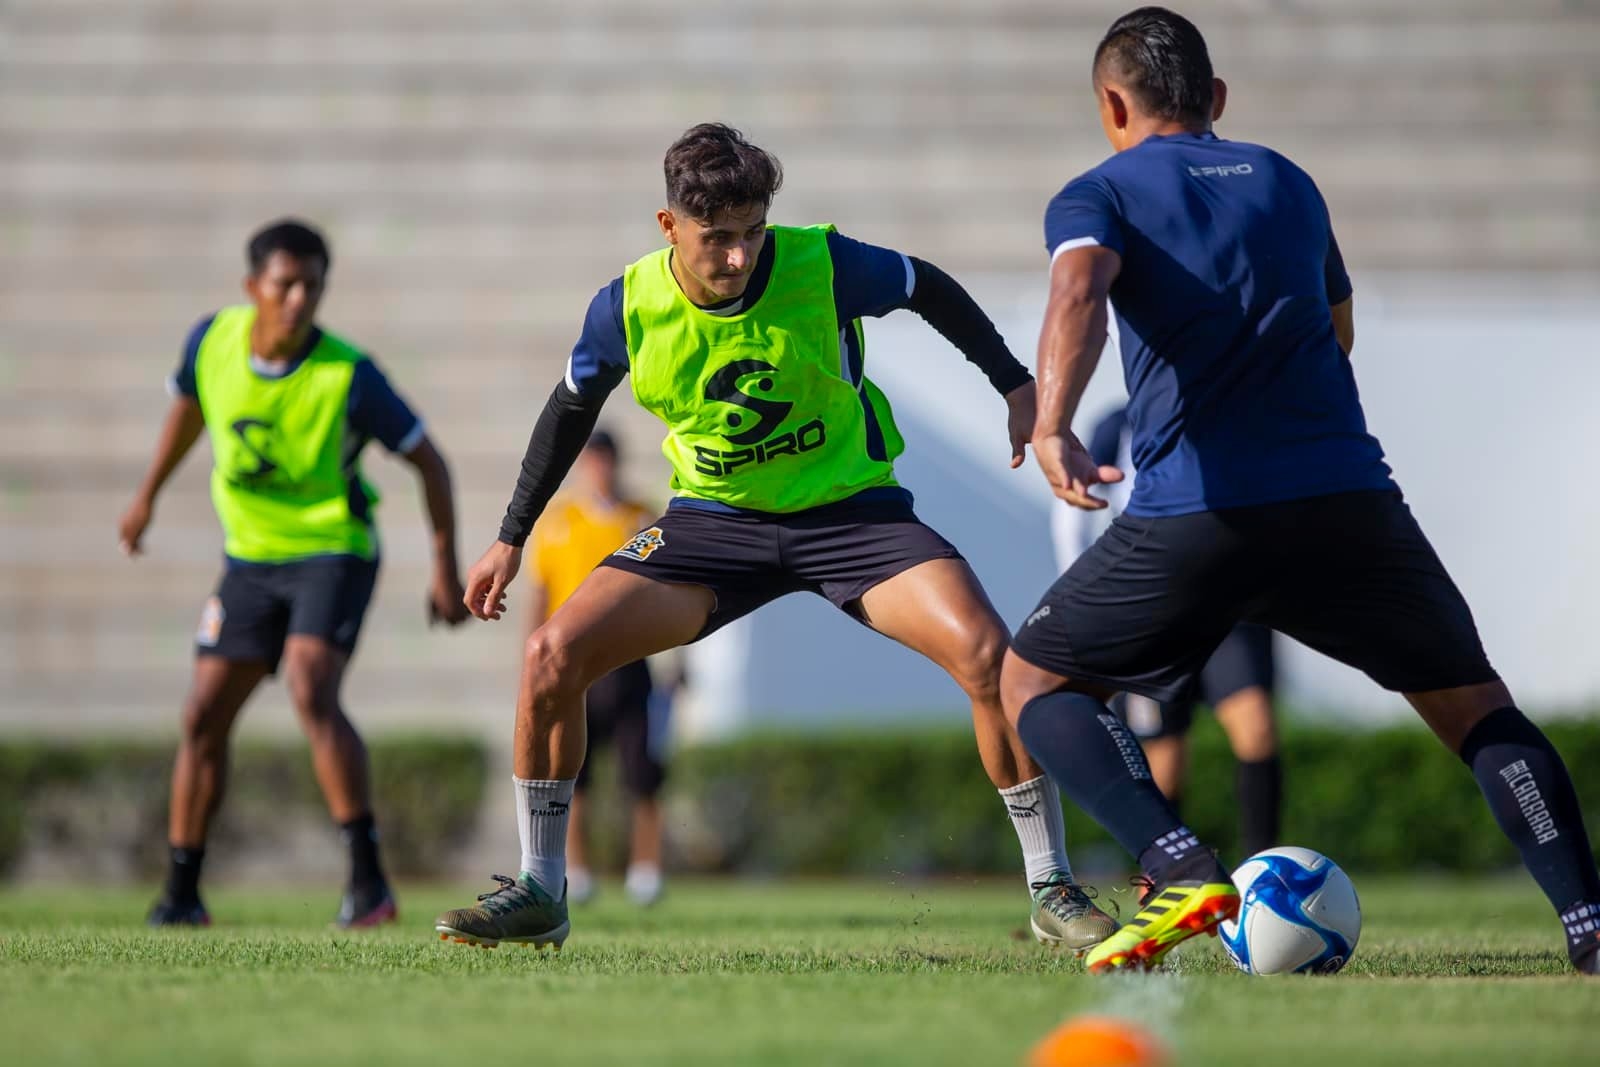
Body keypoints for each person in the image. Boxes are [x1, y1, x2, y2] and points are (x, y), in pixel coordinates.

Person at [1000, 6, 1600, 975]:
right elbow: (1339, 330)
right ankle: (1588, 920)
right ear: (1218, 101)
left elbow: (1079, 296)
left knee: (1032, 677)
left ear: (1112, 104)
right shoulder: (1287, 181)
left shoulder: (1098, 191)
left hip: (1201, 512)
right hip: (1348, 503)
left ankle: (1178, 860)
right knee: (1477, 709)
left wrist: (1051, 421)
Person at [434, 122, 1117, 953]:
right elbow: (569, 411)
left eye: (752, 233)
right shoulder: (626, 307)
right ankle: (542, 889)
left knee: (989, 656)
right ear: (668, 227)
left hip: (851, 515)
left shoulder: (821, 263)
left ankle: (1051, 884)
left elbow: (927, 286)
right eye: (717, 238)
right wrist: (510, 537)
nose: (738, 258)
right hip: (713, 527)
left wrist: (1014, 382)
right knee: (549, 656)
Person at [118, 219, 470, 928]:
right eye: (286, 283)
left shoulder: (348, 374)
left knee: (311, 689)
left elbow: (431, 461)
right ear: (253, 287)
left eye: (313, 284)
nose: (300, 298)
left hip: (331, 550)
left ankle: (369, 884)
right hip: (249, 558)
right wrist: (146, 495)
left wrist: (445, 569)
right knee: (202, 714)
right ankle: (182, 892)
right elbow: (188, 410)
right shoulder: (211, 341)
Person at [1052, 405, 1281, 859]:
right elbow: (1073, 510)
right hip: (1152, 608)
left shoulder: (1237, 409)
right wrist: (1082, 587)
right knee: (1164, 758)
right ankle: (1165, 873)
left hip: (1230, 607)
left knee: (1256, 729)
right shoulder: (1118, 424)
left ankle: (1266, 866)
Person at [524, 429, 666, 906]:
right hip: (577, 661)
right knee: (574, 774)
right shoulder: (560, 521)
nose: (600, 469)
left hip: (627, 658)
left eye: (607, 459)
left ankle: (646, 871)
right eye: (594, 460)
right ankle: (577, 871)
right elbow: (542, 594)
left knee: (642, 772)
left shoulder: (640, 517)